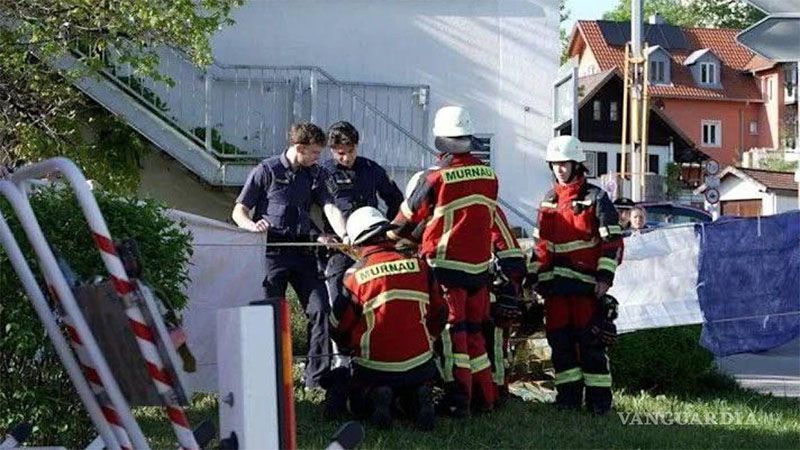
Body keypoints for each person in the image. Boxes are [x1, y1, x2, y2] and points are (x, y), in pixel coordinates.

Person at [391, 106, 499, 416]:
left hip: (444, 268)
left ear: (440, 140)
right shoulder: (489, 175)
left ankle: (458, 400)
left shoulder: (435, 177)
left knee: (453, 336)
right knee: (475, 334)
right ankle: (485, 398)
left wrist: (387, 240)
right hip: (479, 270)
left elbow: (406, 218)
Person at [231, 122, 348, 389]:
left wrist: (343, 234)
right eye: (315, 153)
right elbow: (239, 211)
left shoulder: (315, 174)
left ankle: (316, 380)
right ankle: (268, 380)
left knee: (320, 309)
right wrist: (252, 226)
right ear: (299, 148)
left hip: (303, 253)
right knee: (270, 315)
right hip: (272, 253)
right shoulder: (267, 171)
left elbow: (329, 206)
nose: (319, 159)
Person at [526, 135, 624, 415]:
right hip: (554, 290)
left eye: (564, 163)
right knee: (561, 346)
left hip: (585, 289)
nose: (559, 169)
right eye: (555, 164)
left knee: (591, 346)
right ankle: (568, 400)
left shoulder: (596, 198)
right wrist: (532, 279)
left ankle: (599, 403)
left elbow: (613, 243)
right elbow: (540, 246)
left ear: (577, 164)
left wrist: (604, 279)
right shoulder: (548, 200)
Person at [330, 207, 444, 430]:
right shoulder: (420, 266)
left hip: (374, 366)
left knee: (357, 403)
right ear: (386, 233)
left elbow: (338, 324)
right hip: (419, 364)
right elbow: (440, 312)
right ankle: (417, 397)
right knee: (414, 384)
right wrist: (429, 338)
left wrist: (347, 347)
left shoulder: (354, 276)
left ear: (358, 242)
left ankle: (376, 397)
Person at [320, 121, 404, 353]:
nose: (346, 158)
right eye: (340, 153)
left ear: (357, 146)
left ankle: (373, 350)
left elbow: (395, 199)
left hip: (370, 247)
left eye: (350, 151)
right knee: (339, 303)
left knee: (376, 299)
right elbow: (316, 208)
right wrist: (321, 235)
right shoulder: (323, 172)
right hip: (339, 248)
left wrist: (390, 230)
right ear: (331, 150)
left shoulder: (371, 169)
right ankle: (341, 357)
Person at [486, 206, 528, 402]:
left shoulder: (486, 210)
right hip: (500, 278)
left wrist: (508, 292)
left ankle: (498, 391)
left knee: (495, 341)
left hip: (497, 285)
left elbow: (510, 255)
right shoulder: (486, 206)